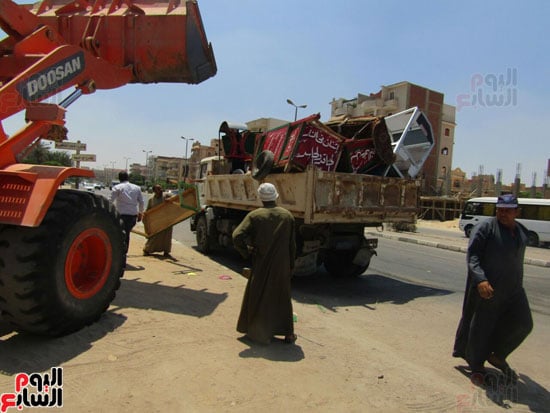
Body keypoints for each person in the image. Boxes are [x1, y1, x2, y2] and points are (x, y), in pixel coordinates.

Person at [453, 194, 533, 385]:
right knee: (481, 326)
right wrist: (480, 279)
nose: (502, 214)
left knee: (524, 323)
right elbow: (473, 257)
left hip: (514, 288)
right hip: (488, 287)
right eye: (499, 210)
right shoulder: (485, 228)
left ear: (516, 212)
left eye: (507, 210)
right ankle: (477, 364)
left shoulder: (521, 231)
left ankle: (498, 354)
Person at [232, 182, 297, 345]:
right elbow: (292, 245)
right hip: (282, 264)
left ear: (261, 198)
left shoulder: (255, 216)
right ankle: (288, 333)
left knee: (258, 295)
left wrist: (247, 251)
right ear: (276, 196)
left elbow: (237, 235)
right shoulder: (287, 216)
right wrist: (291, 265)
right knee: (282, 297)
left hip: (261, 262)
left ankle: (258, 332)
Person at [110, 171, 144, 267]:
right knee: (126, 235)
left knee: (119, 236)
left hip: (120, 215)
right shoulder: (137, 188)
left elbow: (110, 201)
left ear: (119, 178)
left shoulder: (117, 188)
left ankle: (120, 257)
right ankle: (123, 256)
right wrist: (140, 213)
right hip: (132, 216)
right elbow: (141, 202)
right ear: (128, 177)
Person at [143, 185, 173, 258]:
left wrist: (170, 200)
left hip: (167, 220)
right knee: (154, 236)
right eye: (158, 189)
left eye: (160, 188)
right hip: (157, 221)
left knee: (167, 237)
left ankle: (166, 252)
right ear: (154, 191)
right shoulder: (151, 200)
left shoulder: (166, 196)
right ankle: (147, 250)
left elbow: (174, 199)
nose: (161, 189)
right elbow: (148, 211)